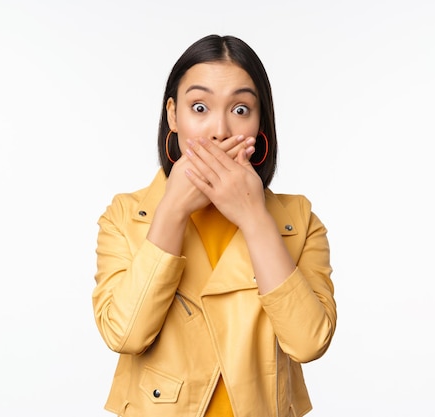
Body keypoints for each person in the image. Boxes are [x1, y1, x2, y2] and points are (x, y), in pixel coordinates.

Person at [92, 34, 336, 417]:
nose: (219, 130)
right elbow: (124, 334)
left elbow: (309, 343)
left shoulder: (298, 220)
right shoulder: (125, 216)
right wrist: (171, 210)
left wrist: (256, 218)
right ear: (173, 115)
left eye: (240, 110)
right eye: (200, 107)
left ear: (260, 123)